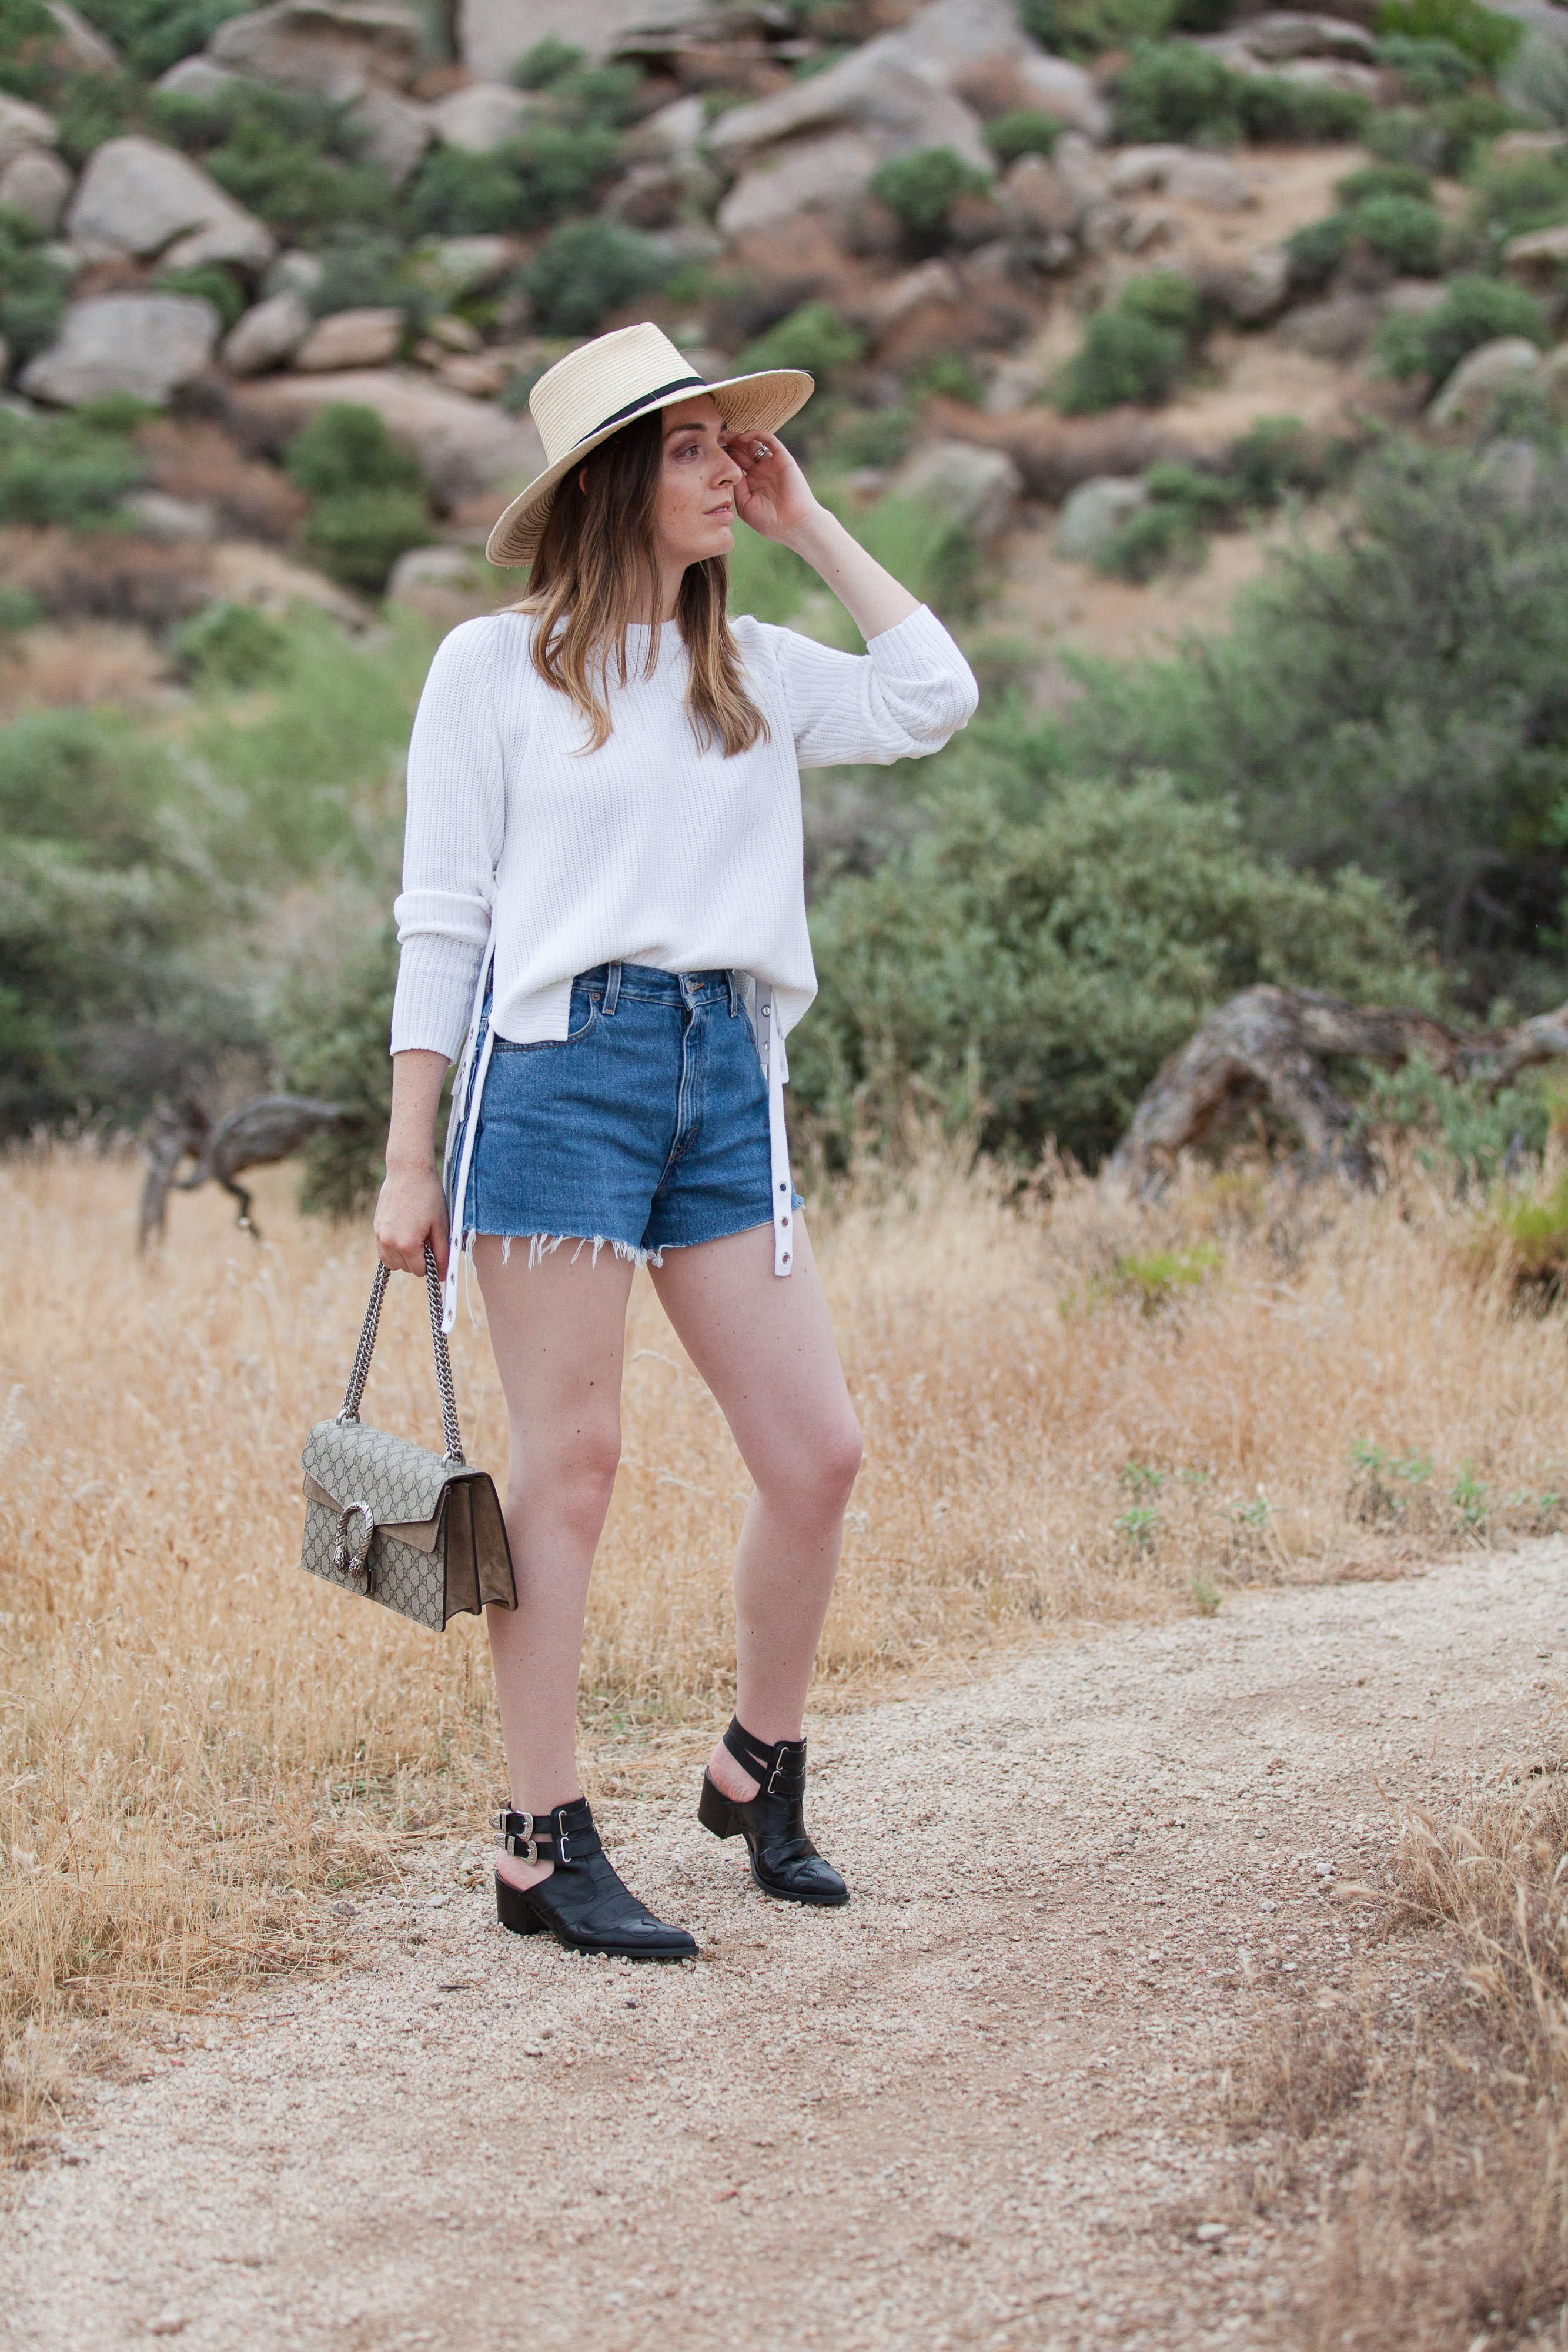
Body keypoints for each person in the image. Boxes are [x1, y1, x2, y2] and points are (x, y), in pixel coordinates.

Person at [374, 321, 978, 1959]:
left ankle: (754, 1762)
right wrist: (407, 1149)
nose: (728, 469)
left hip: (725, 1074)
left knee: (816, 1453)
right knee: (568, 1465)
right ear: (610, 481)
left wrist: (807, 524)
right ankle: (537, 1838)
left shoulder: (757, 669)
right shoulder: (488, 670)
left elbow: (934, 695)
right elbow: (442, 917)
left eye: (736, 445)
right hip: (556, 1071)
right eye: (694, 448)